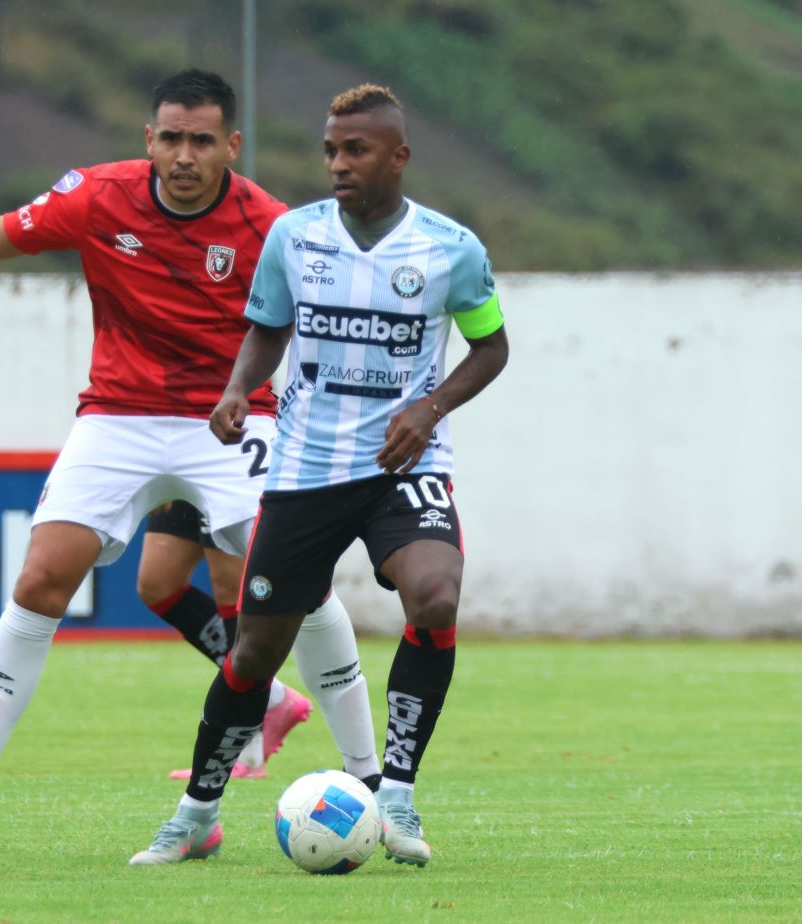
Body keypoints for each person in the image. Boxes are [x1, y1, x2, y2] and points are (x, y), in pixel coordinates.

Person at [0, 69, 380, 857]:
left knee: (286, 582)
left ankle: (371, 786)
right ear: (149, 140)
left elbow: (338, 316)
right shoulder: (99, 197)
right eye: (171, 139)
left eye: (202, 141)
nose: (185, 156)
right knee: (42, 579)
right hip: (118, 415)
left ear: (232, 146)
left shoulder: (270, 226)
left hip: (233, 416)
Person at [130, 83, 509, 868]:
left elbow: (490, 347)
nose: (338, 164)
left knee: (435, 594)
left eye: (356, 150)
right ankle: (197, 813)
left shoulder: (450, 248)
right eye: (331, 151)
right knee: (253, 655)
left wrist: (430, 408)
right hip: (306, 472)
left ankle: (395, 795)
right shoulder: (294, 237)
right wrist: (239, 389)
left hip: (404, 466)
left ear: (397, 157)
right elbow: (267, 329)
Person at [137, 501, 312, 779]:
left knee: (231, 587)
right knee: (157, 583)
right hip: (176, 468)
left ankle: (249, 752)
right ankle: (274, 695)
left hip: (219, 466)